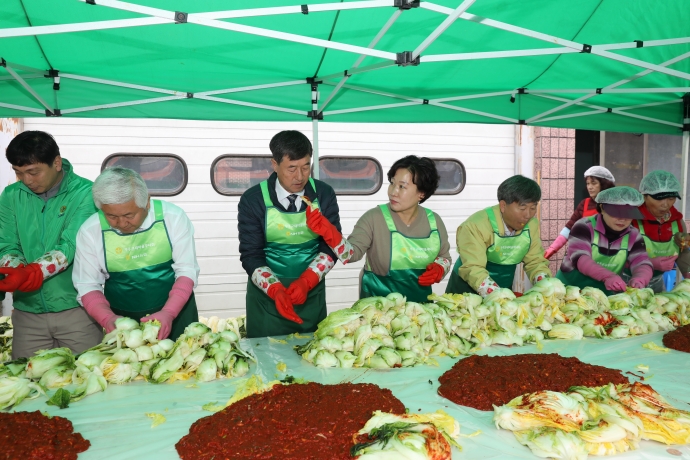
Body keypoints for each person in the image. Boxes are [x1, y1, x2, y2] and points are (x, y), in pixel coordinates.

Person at [0, 131, 101, 358]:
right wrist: (16, 270)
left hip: (77, 309)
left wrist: (32, 272)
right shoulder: (11, 195)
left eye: (33, 172)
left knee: (86, 381)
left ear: (56, 163)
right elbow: (7, 244)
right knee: (28, 381)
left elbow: (71, 245)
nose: (27, 180)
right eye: (19, 173)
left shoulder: (86, 193)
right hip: (28, 314)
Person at [73, 167, 200, 341]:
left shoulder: (172, 217)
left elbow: (187, 271)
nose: (122, 223)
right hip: (122, 320)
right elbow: (87, 285)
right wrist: (107, 318)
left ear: (147, 202)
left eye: (129, 215)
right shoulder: (90, 230)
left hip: (177, 312)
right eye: (111, 216)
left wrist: (169, 313)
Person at [305, 155, 452, 303]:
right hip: (378, 311)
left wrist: (440, 268)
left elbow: (444, 257)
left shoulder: (434, 222)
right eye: (392, 183)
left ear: (422, 193)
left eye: (402, 186)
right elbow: (351, 254)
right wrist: (329, 231)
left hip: (419, 312)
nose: (393, 192)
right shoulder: (373, 218)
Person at [238, 131, 341, 338]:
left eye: (306, 167)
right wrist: (275, 290)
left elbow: (332, 245)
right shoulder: (253, 200)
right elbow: (251, 255)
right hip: (267, 299)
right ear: (274, 164)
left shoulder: (323, 194)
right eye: (292, 168)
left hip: (311, 294)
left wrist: (307, 281)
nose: (300, 177)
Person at [445, 175, 551, 297]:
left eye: (533, 208)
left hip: (502, 289)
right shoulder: (476, 225)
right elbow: (473, 268)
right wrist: (499, 296)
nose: (528, 215)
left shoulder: (530, 225)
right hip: (467, 291)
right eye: (522, 208)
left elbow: (535, 262)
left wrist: (547, 286)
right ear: (503, 206)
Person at [556, 187, 652, 295]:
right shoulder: (584, 226)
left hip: (603, 295)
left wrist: (639, 279)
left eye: (628, 214)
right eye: (616, 213)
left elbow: (642, 262)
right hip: (569, 290)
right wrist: (608, 276)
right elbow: (580, 258)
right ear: (602, 208)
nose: (622, 219)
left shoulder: (634, 235)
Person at [632, 170, 690, 291]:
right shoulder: (631, 220)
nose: (665, 205)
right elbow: (613, 256)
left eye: (671, 198)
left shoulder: (677, 222)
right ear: (644, 196)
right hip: (628, 283)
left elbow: (683, 253)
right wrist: (649, 263)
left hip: (657, 283)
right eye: (659, 199)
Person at [544, 166, 616, 259]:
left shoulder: (615, 205)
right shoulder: (584, 204)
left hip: (606, 256)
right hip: (582, 253)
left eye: (594, 183)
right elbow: (568, 229)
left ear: (604, 184)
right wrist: (551, 250)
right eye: (588, 183)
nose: (590, 187)